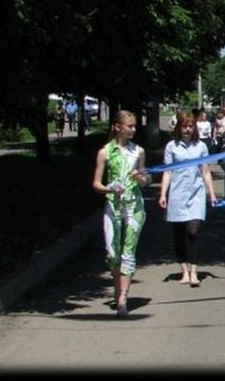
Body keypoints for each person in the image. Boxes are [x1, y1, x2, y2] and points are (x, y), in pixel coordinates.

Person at [91, 110, 150, 317]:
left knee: (128, 251)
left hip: (134, 206)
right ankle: (118, 288)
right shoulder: (105, 152)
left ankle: (123, 297)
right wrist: (110, 188)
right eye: (129, 126)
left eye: (134, 126)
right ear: (117, 127)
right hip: (113, 206)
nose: (133, 130)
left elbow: (146, 180)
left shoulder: (138, 152)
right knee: (113, 253)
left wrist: (140, 178)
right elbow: (96, 184)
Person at [159, 111, 218, 287]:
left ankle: (194, 272)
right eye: (184, 126)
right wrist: (163, 193)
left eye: (190, 126)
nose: (187, 129)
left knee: (193, 231)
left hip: (196, 194)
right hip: (177, 194)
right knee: (179, 234)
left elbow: (205, 171)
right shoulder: (171, 146)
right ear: (179, 127)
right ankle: (184, 271)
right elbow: (167, 171)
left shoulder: (201, 146)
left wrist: (212, 194)